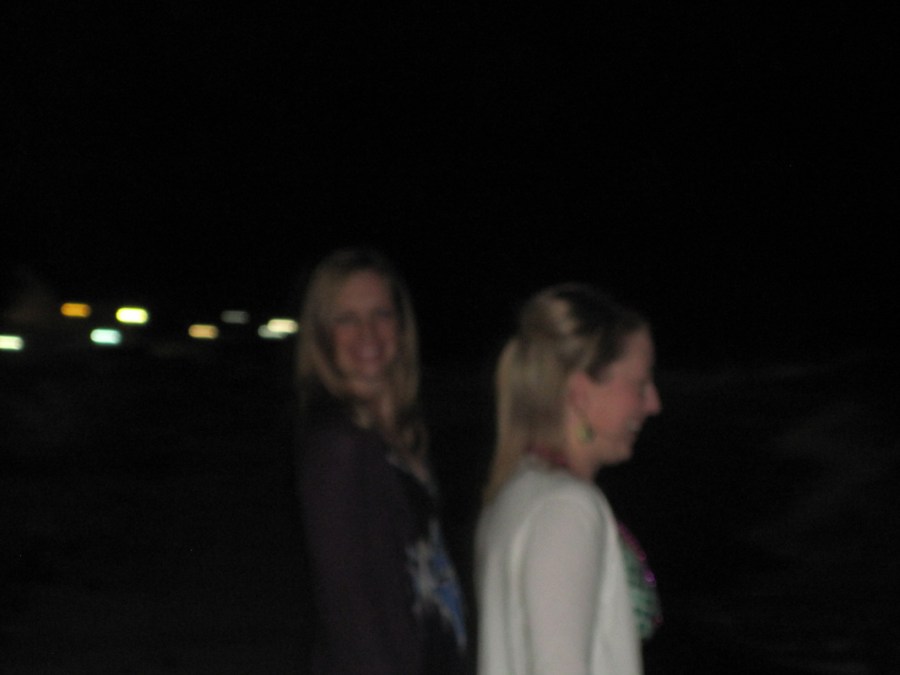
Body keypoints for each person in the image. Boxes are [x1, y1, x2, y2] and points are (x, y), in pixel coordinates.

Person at [294, 248, 469, 675]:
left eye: (382, 314)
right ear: (322, 335)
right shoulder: (340, 448)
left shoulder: (396, 436)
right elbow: (353, 612)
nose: (368, 333)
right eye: (347, 319)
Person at [475, 283, 663, 675]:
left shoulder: (516, 491)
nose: (653, 404)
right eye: (640, 385)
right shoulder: (567, 507)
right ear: (580, 393)